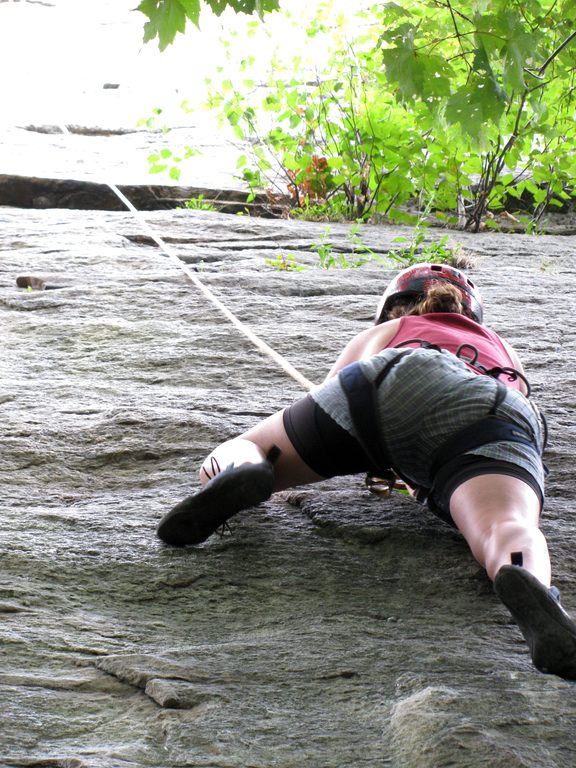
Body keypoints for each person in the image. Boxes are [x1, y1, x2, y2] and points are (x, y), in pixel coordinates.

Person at [157, 263, 576, 679]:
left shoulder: (383, 333)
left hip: (386, 380)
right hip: (491, 408)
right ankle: (531, 586)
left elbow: (330, 393)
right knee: (505, 522)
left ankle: (246, 469)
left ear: (393, 307)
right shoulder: (499, 345)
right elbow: (506, 397)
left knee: (251, 443)